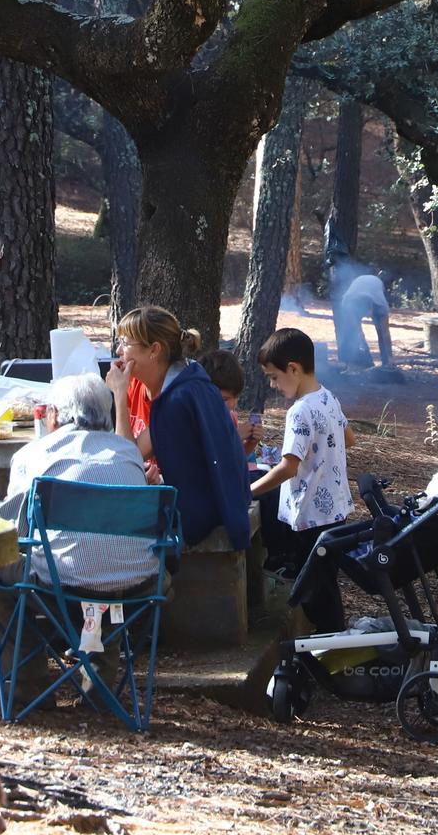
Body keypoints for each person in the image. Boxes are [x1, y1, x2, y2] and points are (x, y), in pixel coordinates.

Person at [0, 374, 158, 594]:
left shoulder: (32, 454)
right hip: (138, 586)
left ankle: (24, 629)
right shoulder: (130, 453)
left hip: (61, 588)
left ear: (54, 415)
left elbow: (15, 534)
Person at [108, 306, 249, 550]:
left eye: (125, 342)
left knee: (107, 522)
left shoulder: (178, 400)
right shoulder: (188, 381)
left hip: (197, 521)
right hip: (219, 506)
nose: (119, 351)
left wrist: (120, 394)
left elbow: (126, 457)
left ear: (154, 350)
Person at [250, 328, 350, 632]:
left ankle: (332, 649)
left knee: (316, 593)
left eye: (274, 376)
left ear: (293, 368)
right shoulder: (328, 398)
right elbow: (349, 437)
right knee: (325, 586)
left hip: (309, 515)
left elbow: (287, 468)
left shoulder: (299, 412)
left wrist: (248, 490)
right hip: (335, 509)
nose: (272, 384)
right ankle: (331, 644)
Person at [330, 267, 393, 368]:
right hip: (355, 293)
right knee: (350, 332)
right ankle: (352, 362)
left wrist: (390, 357)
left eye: (369, 314)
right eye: (366, 314)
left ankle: (386, 363)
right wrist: (364, 353)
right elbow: (358, 332)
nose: (368, 317)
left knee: (381, 331)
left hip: (374, 284)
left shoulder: (381, 305)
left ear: (373, 307)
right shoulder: (348, 303)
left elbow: (386, 333)